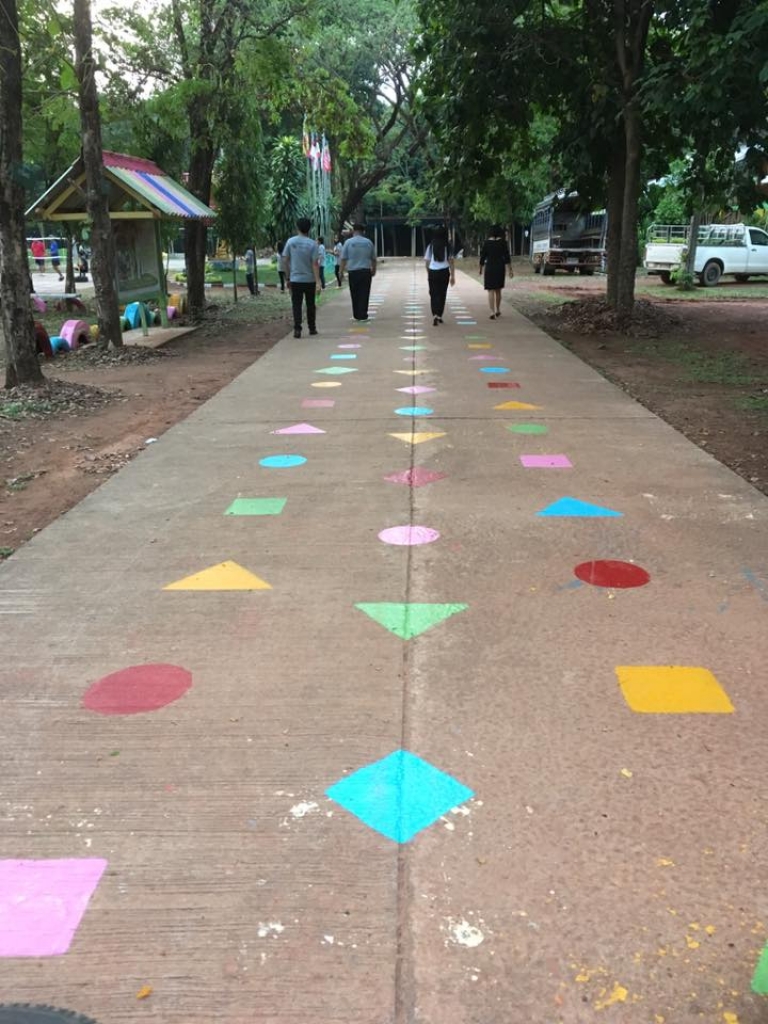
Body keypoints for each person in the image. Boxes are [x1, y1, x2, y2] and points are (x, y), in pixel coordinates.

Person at [283, 218, 321, 338]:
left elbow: (285, 260)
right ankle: (312, 328)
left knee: (296, 305)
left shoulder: (291, 242)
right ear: (309, 229)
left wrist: (287, 277)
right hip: (309, 280)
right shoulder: (313, 244)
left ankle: (297, 329)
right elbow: (315, 264)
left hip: (295, 279)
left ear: (297, 227)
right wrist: (318, 281)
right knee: (310, 304)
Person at [341, 223, 376, 321]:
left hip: (353, 272)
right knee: (364, 293)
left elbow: (343, 258)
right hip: (365, 271)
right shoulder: (368, 242)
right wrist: (374, 270)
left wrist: (341, 271)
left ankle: (356, 314)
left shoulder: (348, 242)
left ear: (353, 231)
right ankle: (363, 314)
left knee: (354, 293)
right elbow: (373, 258)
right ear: (363, 231)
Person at [424, 227, 455, 325]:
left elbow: (427, 261)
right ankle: (439, 315)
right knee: (442, 293)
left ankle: (434, 314)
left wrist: (429, 273)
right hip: (444, 272)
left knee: (433, 294)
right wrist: (453, 276)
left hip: (433, 272)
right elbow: (451, 261)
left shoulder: (431, 246)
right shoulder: (448, 246)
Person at [479, 224, 511, 319]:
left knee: (490, 290)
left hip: (490, 267)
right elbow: (507, 257)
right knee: (498, 290)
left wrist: (480, 269)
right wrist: (510, 270)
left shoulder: (487, 243)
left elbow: (482, 257)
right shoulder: (503, 243)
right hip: (500, 267)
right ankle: (498, 309)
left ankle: (492, 311)